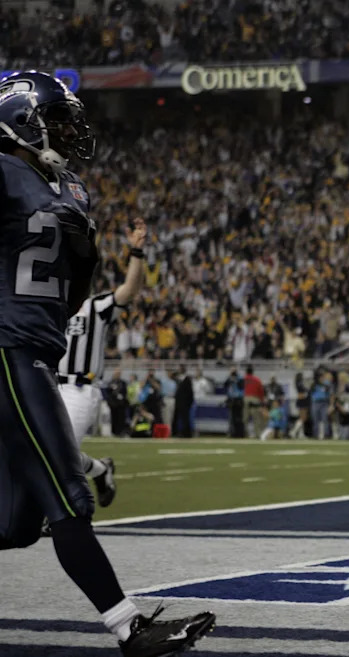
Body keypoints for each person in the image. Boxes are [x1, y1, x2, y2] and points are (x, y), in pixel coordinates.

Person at [0, 71, 214, 654]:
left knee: (15, 524)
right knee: (70, 497)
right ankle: (130, 629)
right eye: (58, 121)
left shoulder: (69, 189)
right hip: (8, 349)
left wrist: (86, 256)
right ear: (21, 122)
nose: (71, 133)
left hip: (35, 348)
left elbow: (72, 295)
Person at [57, 216, 146, 506]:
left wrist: (137, 252)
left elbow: (129, 291)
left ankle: (56, 514)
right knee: (42, 451)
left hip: (79, 388)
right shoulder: (51, 306)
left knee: (59, 454)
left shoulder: (95, 306)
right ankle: (100, 469)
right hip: (48, 385)